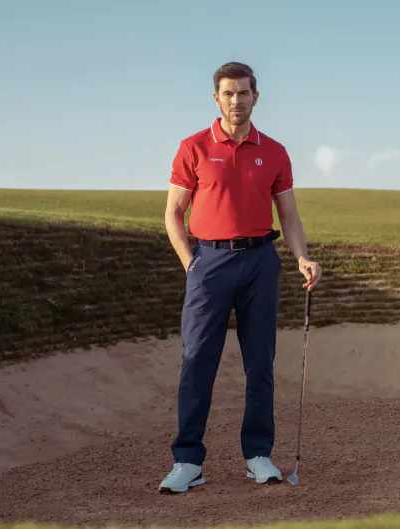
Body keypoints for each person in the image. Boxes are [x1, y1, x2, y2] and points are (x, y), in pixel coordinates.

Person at [158, 61, 322, 493]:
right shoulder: (193, 147)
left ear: (256, 96)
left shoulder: (275, 151)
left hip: (260, 263)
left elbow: (288, 214)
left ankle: (258, 455)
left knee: (260, 364)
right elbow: (173, 215)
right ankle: (188, 461)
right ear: (216, 98)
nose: (236, 100)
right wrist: (190, 264)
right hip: (208, 264)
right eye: (228, 94)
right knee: (197, 363)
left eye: (243, 93)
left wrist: (302, 257)